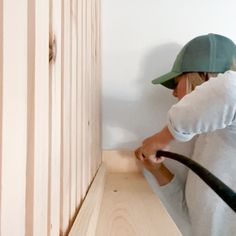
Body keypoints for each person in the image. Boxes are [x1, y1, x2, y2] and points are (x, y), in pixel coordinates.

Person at [135, 33, 236, 236]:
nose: (173, 93)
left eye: (177, 82)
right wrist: (157, 170)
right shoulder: (208, 139)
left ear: (200, 77)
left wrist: (162, 138)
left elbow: (229, 91)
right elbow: (193, 219)